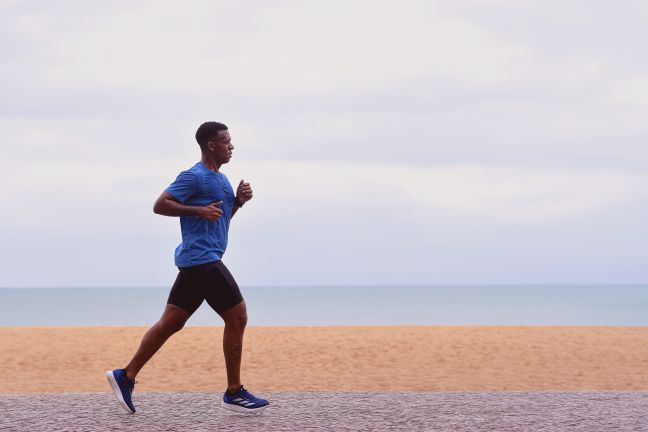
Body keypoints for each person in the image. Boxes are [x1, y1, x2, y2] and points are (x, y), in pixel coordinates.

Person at [106, 121, 269, 414]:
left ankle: (125, 375)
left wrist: (239, 203)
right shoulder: (193, 176)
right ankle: (234, 392)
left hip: (198, 260)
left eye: (231, 142)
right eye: (226, 141)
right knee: (238, 317)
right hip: (203, 260)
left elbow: (220, 219)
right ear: (211, 145)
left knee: (171, 322)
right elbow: (160, 204)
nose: (231, 146)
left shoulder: (222, 180)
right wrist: (197, 210)